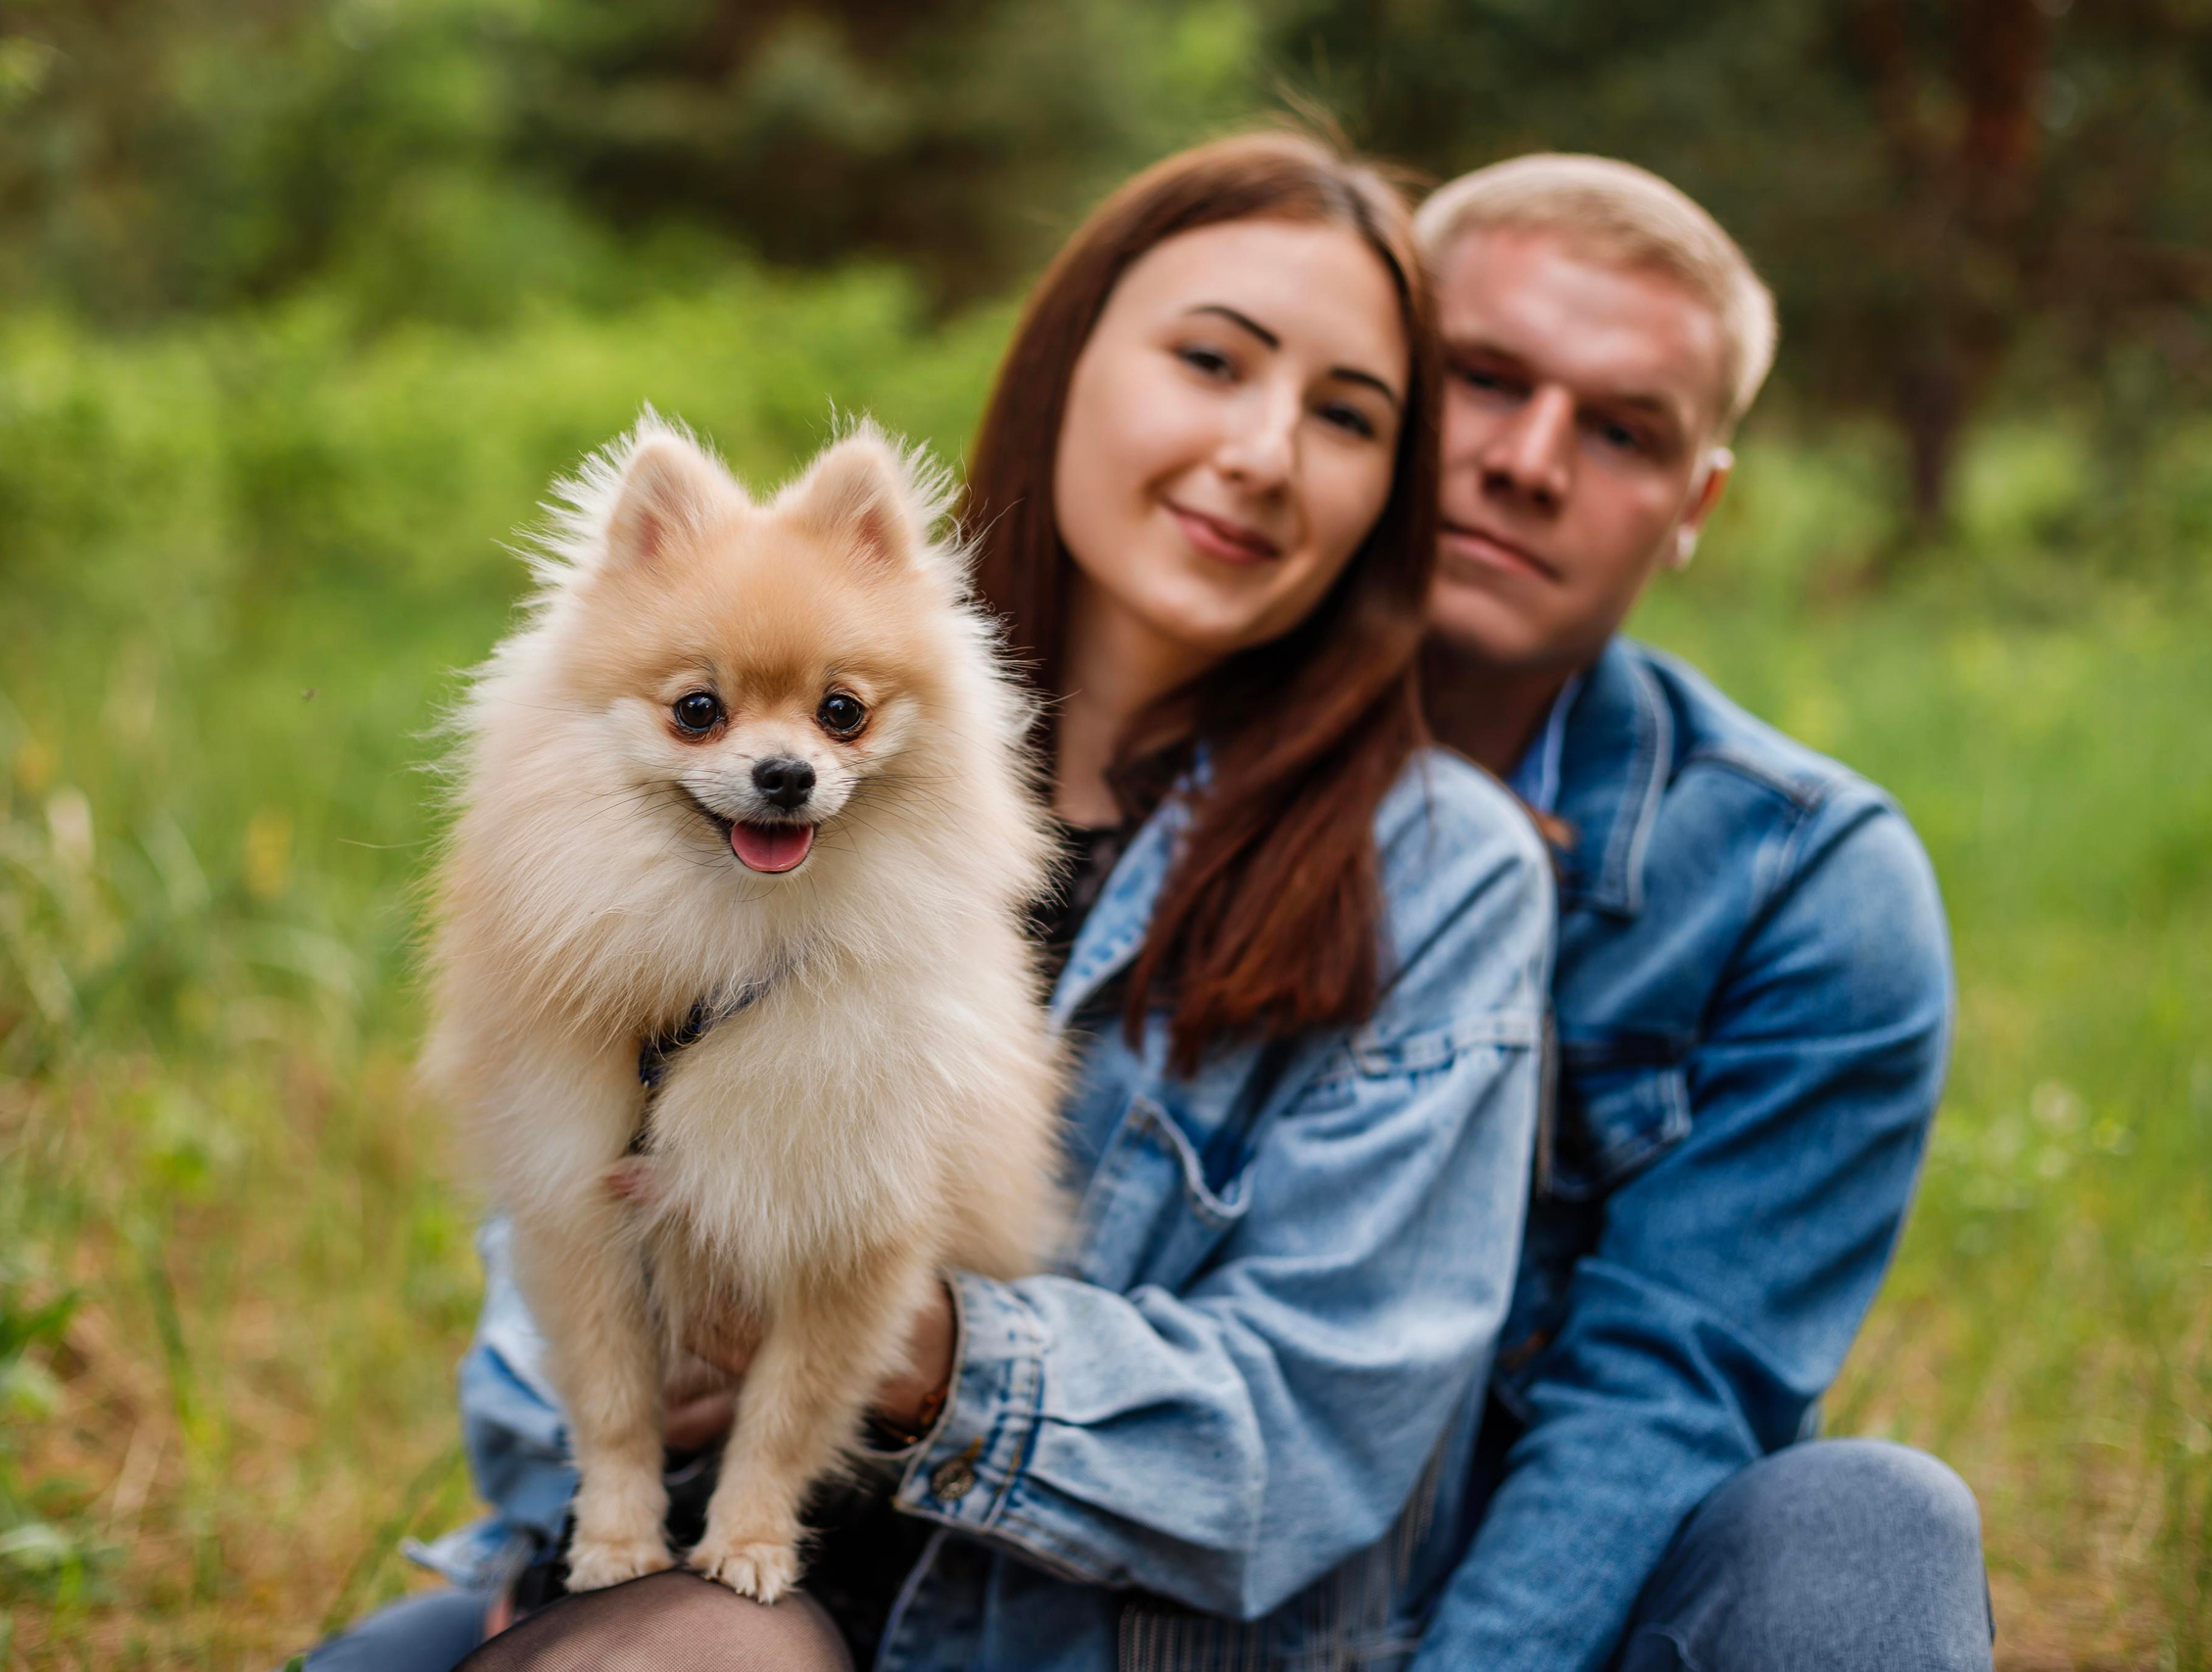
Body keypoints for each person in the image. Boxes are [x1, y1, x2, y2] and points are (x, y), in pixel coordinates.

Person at [297, 131, 1555, 1672]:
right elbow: (527, 1329)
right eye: (1213, 360)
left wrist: (924, 1351)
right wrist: (617, 1403)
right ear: (1067, 360)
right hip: (635, 1583)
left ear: (1392, 493)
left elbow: (1323, 1450)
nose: (1263, 450)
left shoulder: (1436, 874)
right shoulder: (679, 740)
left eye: (1348, 416)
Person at [1405, 155, 1992, 1671]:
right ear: (1371, 378)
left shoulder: (1801, 883)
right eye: (1481, 378)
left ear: (1693, 507)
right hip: (1114, 1557)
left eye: (1622, 431)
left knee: (1871, 1524)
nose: (1531, 462)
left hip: (1534, 1605)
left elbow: (1661, 1399)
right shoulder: (1084, 744)